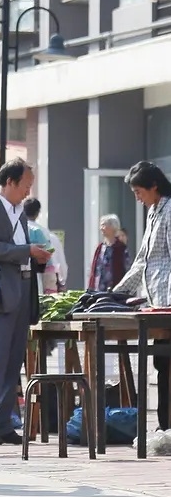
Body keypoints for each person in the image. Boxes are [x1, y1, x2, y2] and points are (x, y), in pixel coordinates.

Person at [0, 159, 51, 445]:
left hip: (23, 291)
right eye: (26, 185)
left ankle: (3, 423)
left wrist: (35, 255)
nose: (28, 191)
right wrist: (26, 250)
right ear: (10, 182)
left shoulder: (21, 214)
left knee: (13, 361)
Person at [113, 161, 171, 431]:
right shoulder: (152, 212)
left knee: (167, 362)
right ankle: (164, 424)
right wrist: (115, 293)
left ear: (154, 186)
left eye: (139, 192)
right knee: (162, 361)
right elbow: (142, 262)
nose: (137, 198)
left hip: (168, 300)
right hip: (156, 301)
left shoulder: (170, 211)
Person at [22, 198, 68, 294]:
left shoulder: (18, 231)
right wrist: (62, 281)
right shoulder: (46, 234)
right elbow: (58, 261)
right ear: (38, 212)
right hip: (45, 280)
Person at [88, 214, 131, 291]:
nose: (101, 228)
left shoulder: (121, 248)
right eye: (101, 226)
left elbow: (127, 268)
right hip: (99, 289)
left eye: (104, 225)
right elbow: (94, 269)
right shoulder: (100, 247)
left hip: (115, 289)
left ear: (113, 227)